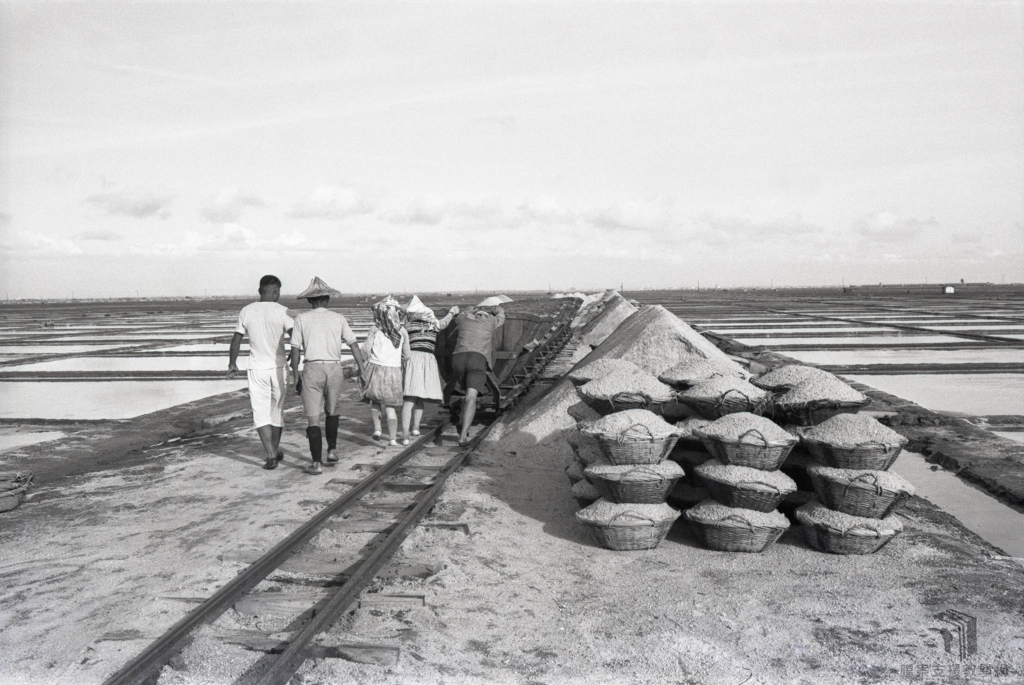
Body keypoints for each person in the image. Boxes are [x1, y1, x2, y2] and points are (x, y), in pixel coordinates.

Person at [289, 277, 367, 475]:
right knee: (331, 411)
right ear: (327, 299)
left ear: (310, 301)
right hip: (334, 369)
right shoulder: (338, 318)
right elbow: (354, 345)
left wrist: (296, 376)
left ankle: (316, 464)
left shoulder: (301, 319)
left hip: (312, 369)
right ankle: (331, 451)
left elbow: (296, 350)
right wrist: (362, 370)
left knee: (313, 419)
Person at [228, 275, 294, 470]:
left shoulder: (246, 311)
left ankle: (271, 454)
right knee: (277, 411)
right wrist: (294, 355)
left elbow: (236, 340)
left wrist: (232, 363)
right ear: (276, 291)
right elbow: (296, 338)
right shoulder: (283, 311)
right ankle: (274, 449)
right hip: (279, 368)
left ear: (259, 291)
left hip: (256, 368)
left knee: (260, 412)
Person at [400, 296, 459, 445]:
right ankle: (415, 428)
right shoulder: (434, 325)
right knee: (419, 396)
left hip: (413, 359)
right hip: (427, 359)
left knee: (409, 397)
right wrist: (452, 312)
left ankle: (405, 434)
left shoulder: (408, 326)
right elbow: (444, 323)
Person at [452, 296, 506, 446]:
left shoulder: (463, 320)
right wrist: (497, 310)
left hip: (458, 358)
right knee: (471, 396)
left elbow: (460, 315)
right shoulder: (490, 321)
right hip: (477, 359)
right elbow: (501, 316)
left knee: (466, 394)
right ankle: (463, 436)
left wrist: (468, 311)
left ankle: (463, 419)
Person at [361, 296, 410, 446]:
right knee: (390, 407)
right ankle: (393, 439)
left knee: (375, 401)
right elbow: (407, 355)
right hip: (393, 371)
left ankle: (377, 429)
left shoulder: (375, 329)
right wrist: (397, 360)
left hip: (375, 369)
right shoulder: (402, 331)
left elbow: (365, 351)